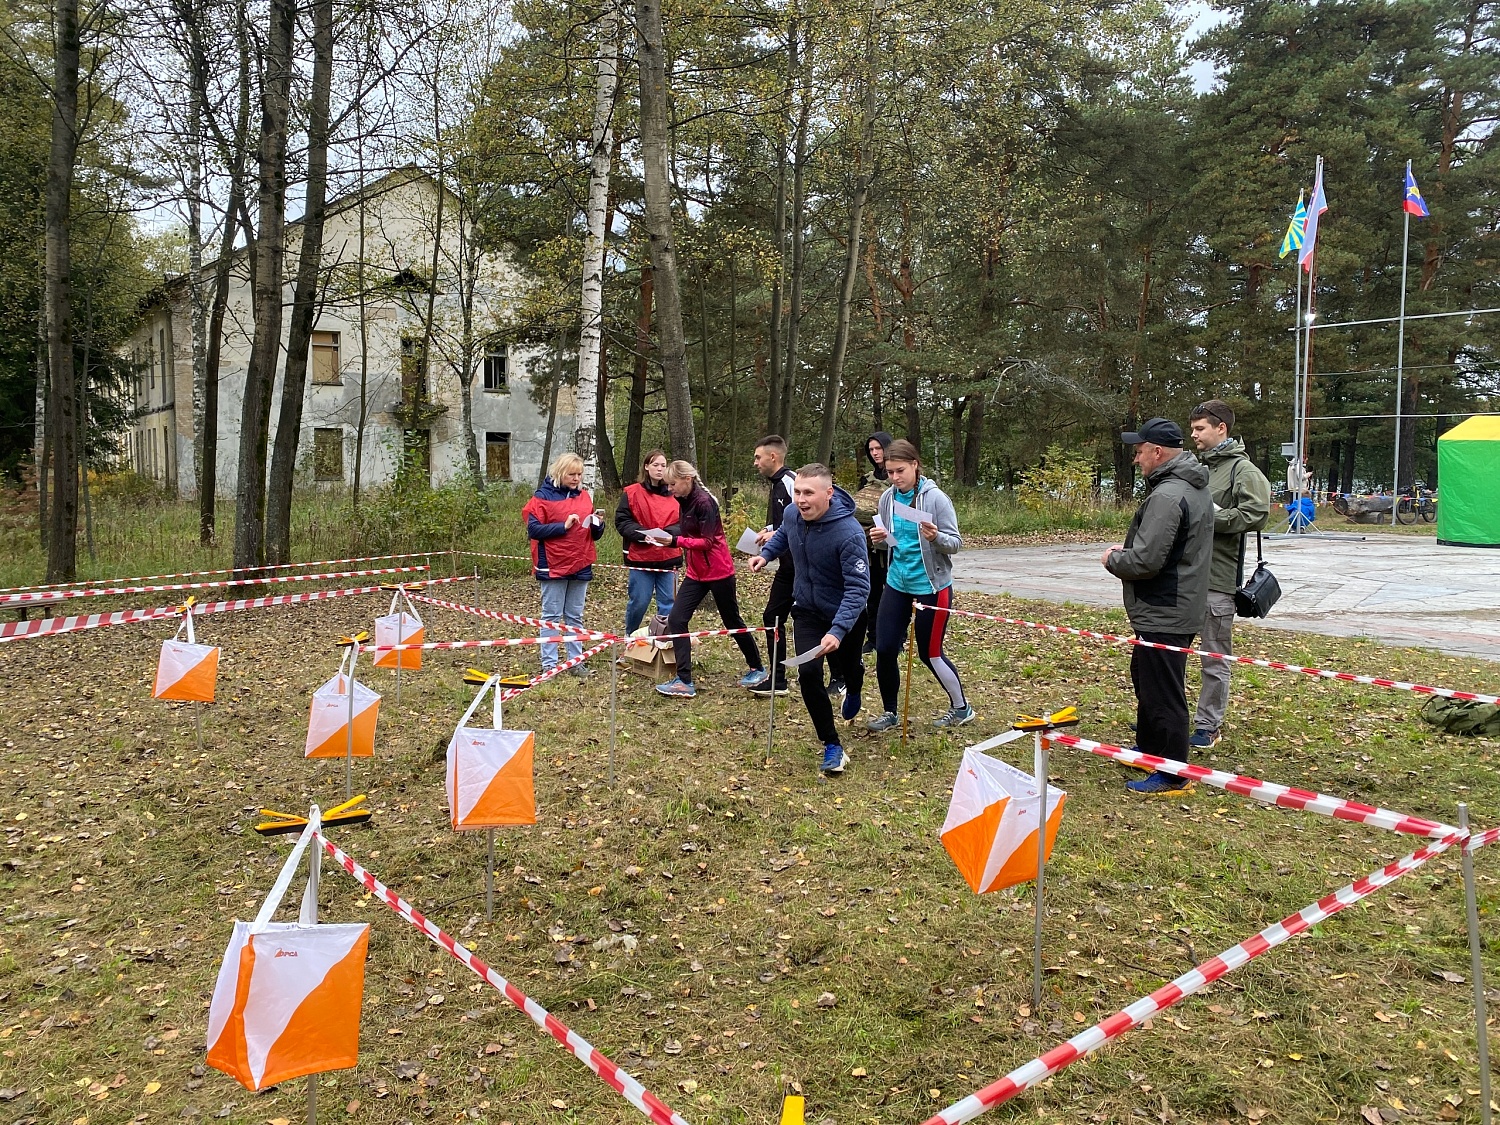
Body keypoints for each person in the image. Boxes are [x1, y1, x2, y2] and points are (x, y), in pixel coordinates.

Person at [1101, 418, 1214, 795]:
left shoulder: (1168, 496)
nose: (1136, 460)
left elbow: (1146, 560)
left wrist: (1113, 559)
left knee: (1164, 690)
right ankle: (1150, 750)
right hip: (1170, 605)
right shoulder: (1188, 488)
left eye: (1139, 452)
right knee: (1146, 678)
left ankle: (1173, 772)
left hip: (1166, 608)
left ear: (1157, 452)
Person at [750, 464, 870, 775]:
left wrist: (838, 630)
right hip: (807, 611)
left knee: (850, 668)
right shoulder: (792, 513)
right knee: (808, 673)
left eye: (808, 493)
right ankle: (832, 744)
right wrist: (766, 554)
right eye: (797, 492)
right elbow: (784, 535)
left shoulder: (849, 533)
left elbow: (859, 589)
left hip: (845, 615)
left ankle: (854, 686)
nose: (801, 500)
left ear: (828, 494)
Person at [864, 440, 973, 730]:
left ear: (915, 465)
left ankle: (961, 708)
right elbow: (892, 544)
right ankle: (890, 712)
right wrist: (879, 540)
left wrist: (936, 537)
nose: (895, 478)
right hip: (897, 583)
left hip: (931, 586)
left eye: (900, 471)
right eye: (890, 472)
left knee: (930, 653)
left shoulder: (936, 499)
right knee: (885, 648)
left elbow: (955, 544)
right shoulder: (887, 498)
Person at [1188, 401, 1270, 749]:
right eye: (1192, 429)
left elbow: (1256, 514)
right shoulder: (1195, 468)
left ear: (1221, 428)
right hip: (1185, 579)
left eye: (1200, 429)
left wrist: (1208, 516)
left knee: (1214, 657)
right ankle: (1168, 718)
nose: (1194, 436)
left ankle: (1208, 726)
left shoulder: (1243, 470)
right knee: (1170, 652)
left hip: (1218, 581)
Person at [654, 461, 766, 699]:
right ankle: (684, 680)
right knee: (676, 619)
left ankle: (757, 667)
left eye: (673, 484)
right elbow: (688, 530)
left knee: (732, 620)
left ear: (687, 479)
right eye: (668, 485)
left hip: (719, 571)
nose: (669, 489)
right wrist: (664, 534)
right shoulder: (683, 500)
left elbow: (707, 542)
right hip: (696, 573)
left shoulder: (704, 502)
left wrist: (674, 542)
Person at [522, 452, 606, 677]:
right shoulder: (541, 497)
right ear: (560, 473)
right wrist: (563, 526)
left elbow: (594, 534)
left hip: (581, 562)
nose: (576, 478)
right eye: (572, 474)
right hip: (552, 563)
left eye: (579, 474)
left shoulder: (585, 496)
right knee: (551, 616)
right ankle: (549, 664)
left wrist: (598, 525)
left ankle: (575, 661)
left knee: (575, 615)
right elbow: (533, 530)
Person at [744, 436, 797, 698]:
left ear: (773, 457)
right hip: (786, 567)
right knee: (772, 618)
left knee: (815, 621)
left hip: (804, 567)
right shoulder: (776, 485)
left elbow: (805, 517)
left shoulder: (791, 482)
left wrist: (776, 534)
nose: (755, 463)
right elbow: (783, 521)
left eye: (758, 457)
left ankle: (840, 676)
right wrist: (768, 530)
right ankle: (777, 679)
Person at [614, 450, 683, 634]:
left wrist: (669, 535)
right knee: (639, 602)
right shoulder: (631, 493)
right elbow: (622, 521)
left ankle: (664, 641)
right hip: (641, 558)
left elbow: (684, 522)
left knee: (669, 604)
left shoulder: (676, 493)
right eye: (655, 465)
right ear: (646, 467)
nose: (660, 469)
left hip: (669, 557)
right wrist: (643, 534)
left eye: (663, 465)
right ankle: (630, 636)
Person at [852, 432, 893, 654]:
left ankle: (896, 637)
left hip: (891, 546)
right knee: (872, 592)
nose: (875, 453)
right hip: (868, 546)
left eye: (879, 448)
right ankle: (873, 637)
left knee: (893, 594)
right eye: (871, 450)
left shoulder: (896, 477)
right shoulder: (866, 479)